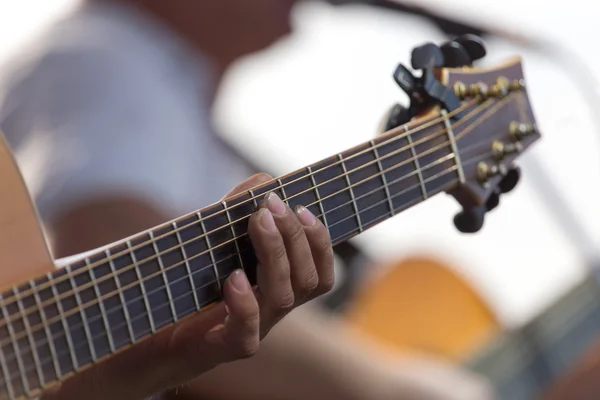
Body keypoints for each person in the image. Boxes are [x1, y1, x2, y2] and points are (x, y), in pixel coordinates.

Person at [0, 0, 495, 399]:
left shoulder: (155, 81)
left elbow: (66, 346)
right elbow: (108, 261)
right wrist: (392, 389)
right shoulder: (106, 61)